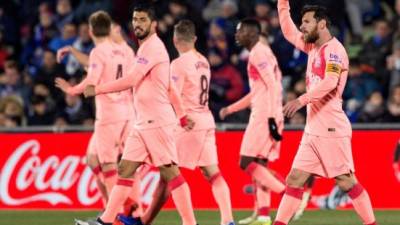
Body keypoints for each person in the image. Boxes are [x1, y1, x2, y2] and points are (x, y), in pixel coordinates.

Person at [81, 4, 198, 225]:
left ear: (153, 24)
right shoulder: (144, 48)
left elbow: (132, 79)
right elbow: (170, 88)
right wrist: (182, 116)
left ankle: (191, 223)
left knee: (170, 173)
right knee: (125, 169)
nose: (137, 24)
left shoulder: (153, 47)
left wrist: (98, 88)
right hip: (143, 122)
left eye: (143, 20)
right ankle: (105, 221)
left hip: (156, 122)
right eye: (135, 19)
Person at [120, 19, 235, 225]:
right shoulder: (203, 60)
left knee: (168, 174)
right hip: (206, 120)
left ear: (174, 40)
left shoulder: (178, 64)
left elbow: (173, 95)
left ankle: (151, 221)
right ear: (195, 39)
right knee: (213, 174)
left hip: (188, 123)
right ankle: (228, 221)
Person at [274, 1, 378, 225]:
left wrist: (301, 99)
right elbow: (288, 31)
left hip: (330, 127)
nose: (302, 27)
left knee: (346, 182)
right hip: (313, 129)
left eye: (306, 22)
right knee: (295, 179)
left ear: (321, 24)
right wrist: (282, 4)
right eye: (302, 22)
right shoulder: (313, 47)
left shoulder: (335, 50)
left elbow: (330, 82)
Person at [55, 11, 138, 215]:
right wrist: (73, 51)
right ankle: (121, 207)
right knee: (93, 159)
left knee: (108, 164)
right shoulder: (125, 50)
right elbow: (97, 64)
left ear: (91, 30)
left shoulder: (100, 52)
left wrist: (72, 89)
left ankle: (117, 213)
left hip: (108, 115)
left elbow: (92, 79)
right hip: (127, 112)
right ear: (110, 29)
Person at [219, 18, 285, 225]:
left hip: (265, 114)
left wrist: (273, 117)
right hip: (267, 111)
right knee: (259, 164)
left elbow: (273, 86)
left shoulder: (258, 53)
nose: (236, 35)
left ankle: (288, 193)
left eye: (240, 31)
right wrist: (231, 109)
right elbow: (259, 91)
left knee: (245, 162)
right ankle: (264, 215)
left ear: (251, 32)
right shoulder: (261, 53)